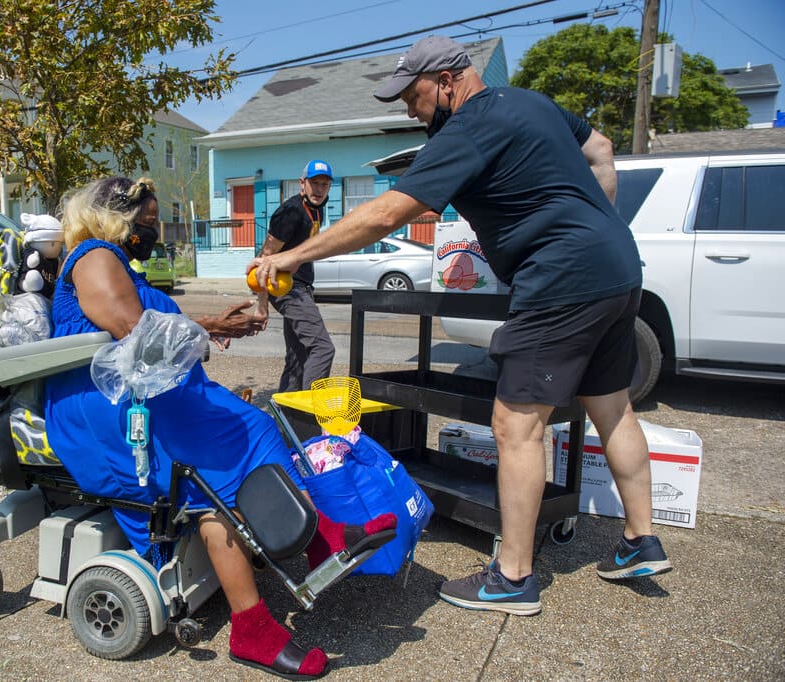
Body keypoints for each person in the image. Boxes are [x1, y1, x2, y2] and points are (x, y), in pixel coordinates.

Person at [248, 35, 671, 617]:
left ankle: (514, 576)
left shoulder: (467, 127)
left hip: (561, 279)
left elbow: (388, 212)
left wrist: (293, 257)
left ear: (448, 81)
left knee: (516, 424)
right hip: (619, 269)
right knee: (613, 407)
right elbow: (599, 148)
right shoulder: (531, 102)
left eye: (413, 96)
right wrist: (593, 227)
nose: (407, 109)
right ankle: (640, 541)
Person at [44, 176, 396, 678]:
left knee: (254, 425)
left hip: (145, 396)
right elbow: (133, 330)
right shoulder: (94, 256)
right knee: (215, 469)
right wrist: (210, 328)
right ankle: (254, 621)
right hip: (105, 410)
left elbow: (148, 321)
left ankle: (321, 539)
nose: (154, 229)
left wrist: (209, 322)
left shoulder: (120, 262)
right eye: (147, 220)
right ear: (114, 217)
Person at [258, 160, 336, 392]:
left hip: (301, 287)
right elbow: (265, 255)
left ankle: (286, 422)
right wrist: (261, 304)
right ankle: (310, 415)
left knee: (298, 359)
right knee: (322, 349)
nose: (319, 189)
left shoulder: (317, 207)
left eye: (325, 184)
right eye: (314, 183)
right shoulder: (291, 211)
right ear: (302, 184)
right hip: (286, 287)